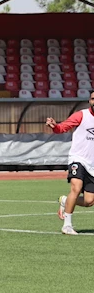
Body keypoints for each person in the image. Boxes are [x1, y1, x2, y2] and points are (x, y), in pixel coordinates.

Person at [46, 90, 94, 235]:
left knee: (89, 201)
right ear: (89, 101)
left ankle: (65, 200)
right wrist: (55, 126)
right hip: (78, 158)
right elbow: (63, 127)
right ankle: (67, 226)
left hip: (92, 165)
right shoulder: (81, 115)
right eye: (93, 99)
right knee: (76, 187)